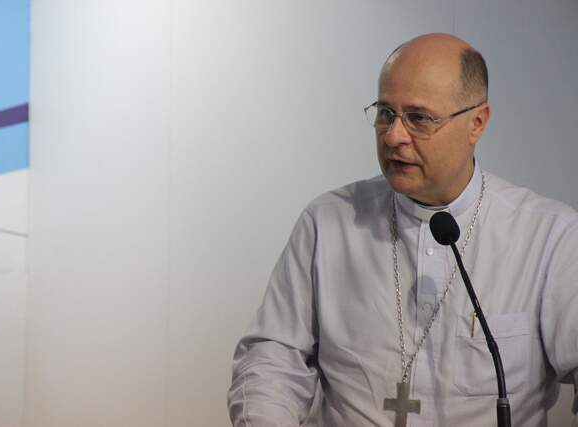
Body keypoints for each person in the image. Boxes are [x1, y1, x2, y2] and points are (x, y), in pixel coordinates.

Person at [227, 33, 578, 426]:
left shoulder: (550, 237)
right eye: (386, 113)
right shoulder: (327, 223)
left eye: (419, 118)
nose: (394, 136)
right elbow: (272, 358)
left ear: (476, 123)